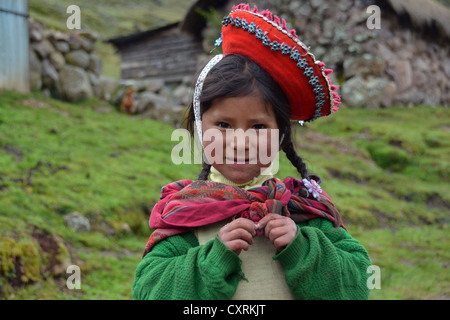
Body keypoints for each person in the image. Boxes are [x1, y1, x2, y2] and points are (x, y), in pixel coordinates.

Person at [133, 3, 372, 300]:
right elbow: (148, 290)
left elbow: (358, 285)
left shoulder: (303, 211)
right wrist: (213, 258)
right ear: (199, 128)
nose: (240, 142)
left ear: (280, 134)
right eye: (223, 124)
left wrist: (302, 248)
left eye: (258, 127)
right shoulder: (187, 213)